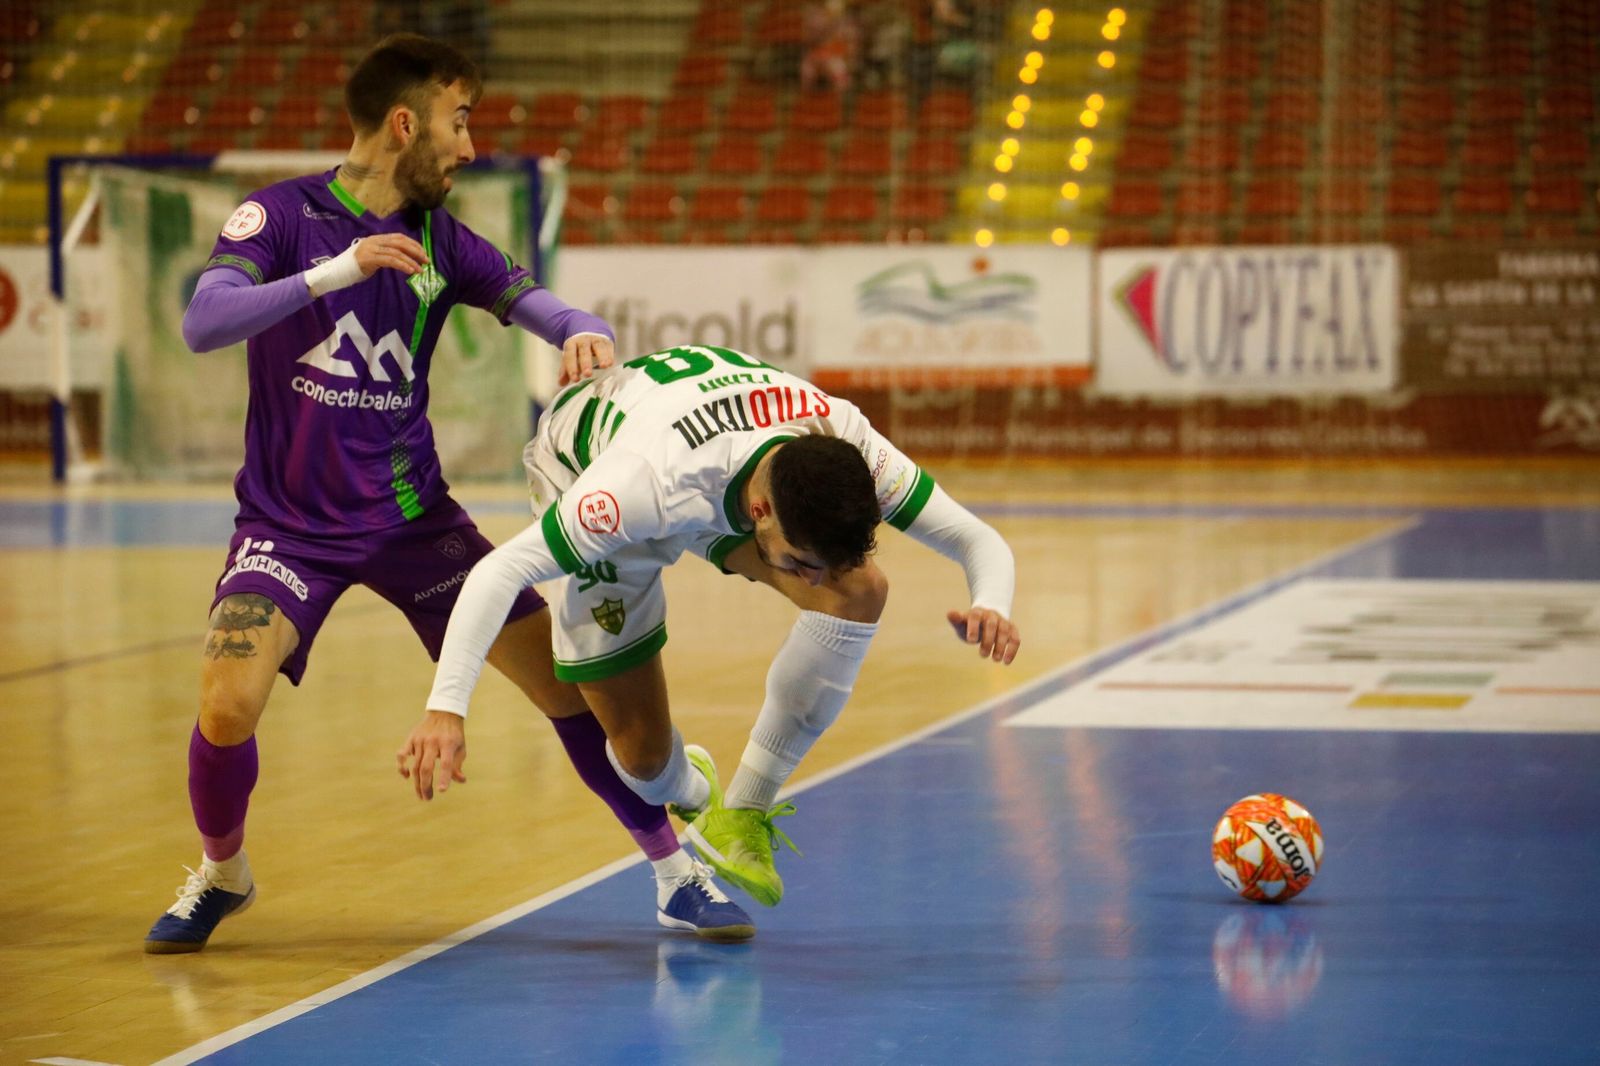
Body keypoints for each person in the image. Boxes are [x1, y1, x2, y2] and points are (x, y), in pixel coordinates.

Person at [145, 35, 754, 954]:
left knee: (572, 693)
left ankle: (674, 875)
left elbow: (544, 306)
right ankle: (223, 874)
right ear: (405, 123)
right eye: (458, 121)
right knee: (226, 704)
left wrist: (583, 330)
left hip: (414, 523)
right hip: (287, 527)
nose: (470, 148)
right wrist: (335, 272)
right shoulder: (277, 218)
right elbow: (202, 321)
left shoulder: (446, 243)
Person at [401, 344, 1020, 907]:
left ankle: (745, 809)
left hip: (709, 456)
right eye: (802, 563)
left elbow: (974, 536)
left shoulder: (844, 439)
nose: (811, 580)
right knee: (642, 766)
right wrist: (446, 707)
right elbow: (499, 570)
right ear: (759, 512)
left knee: (860, 589)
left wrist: (992, 601)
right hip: (591, 462)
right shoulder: (626, 492)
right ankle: (696, 794)